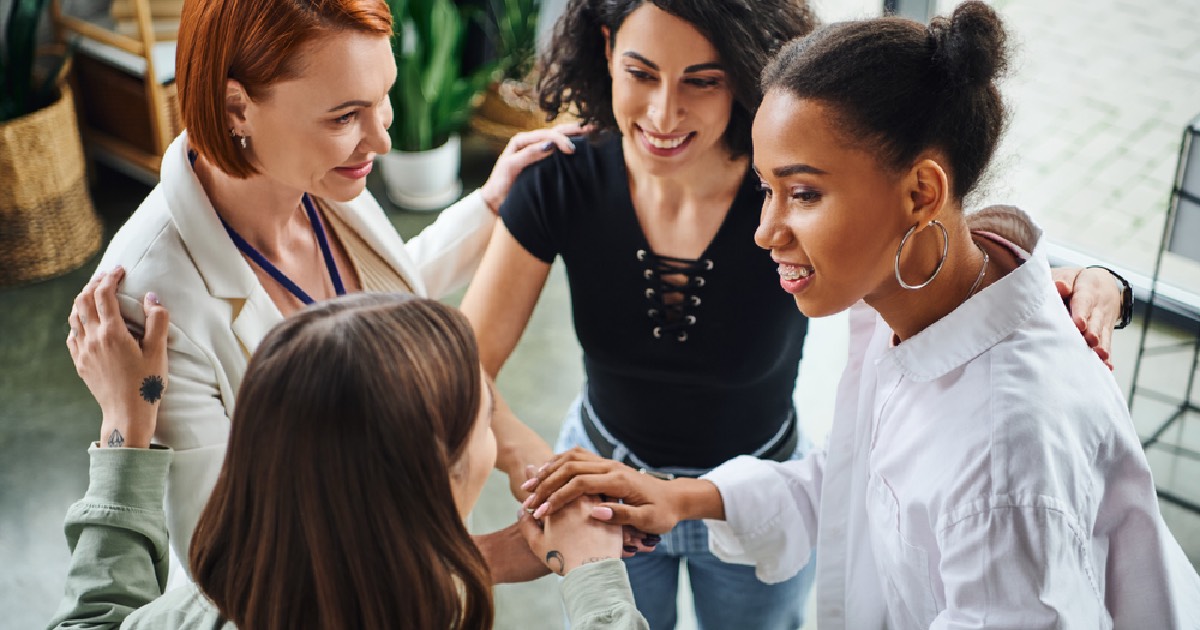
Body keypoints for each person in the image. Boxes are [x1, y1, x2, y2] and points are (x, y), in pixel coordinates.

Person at [519, 3, 1200, 628]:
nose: (764, 232)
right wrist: (682, 499)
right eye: (767, 188)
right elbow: (856, 475)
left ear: (922, 191)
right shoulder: (914, 302)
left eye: (804, 192)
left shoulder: (1002, 453)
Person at [73, 0, 575, 582]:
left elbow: (357, 308)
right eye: (345, 117)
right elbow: (236, 566)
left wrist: (488, 205)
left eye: (383, 97)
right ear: (238, 107)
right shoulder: (152, 300)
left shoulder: (315, 174)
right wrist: (484, 558)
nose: (381, 140)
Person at [50, 277, 648, 630]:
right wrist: (597, 580)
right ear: (437, 475)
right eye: (486, 419)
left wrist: (127, 426)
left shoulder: (215, 606)